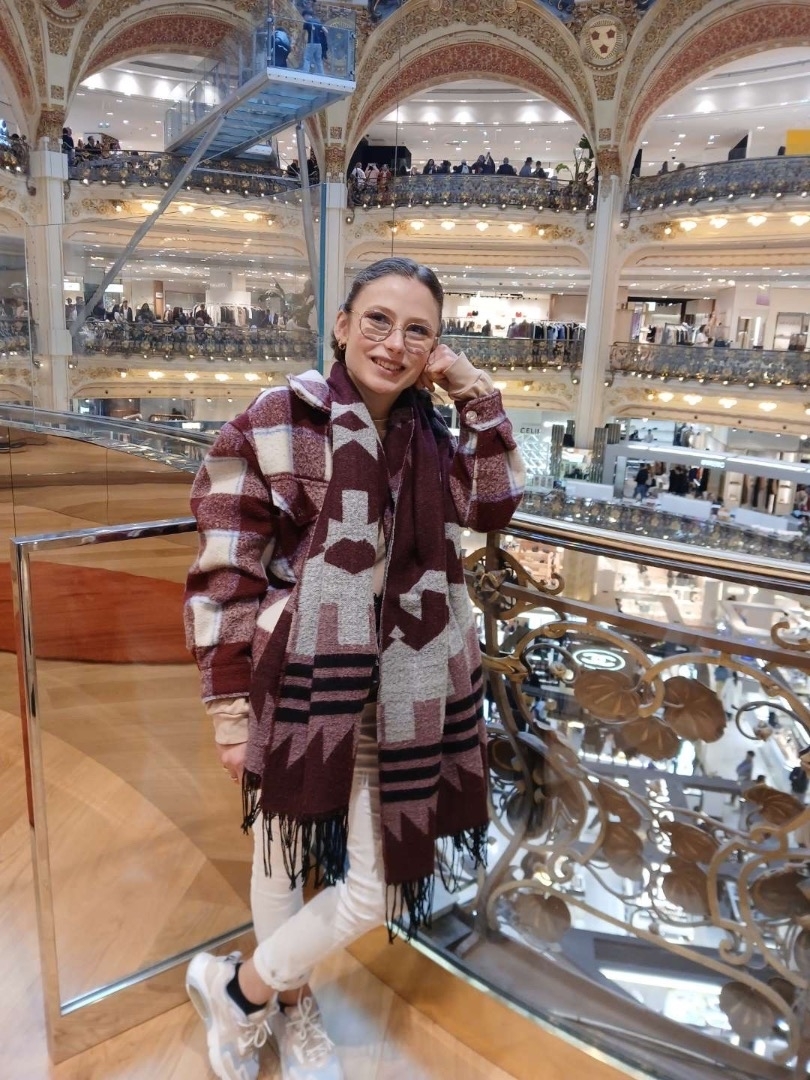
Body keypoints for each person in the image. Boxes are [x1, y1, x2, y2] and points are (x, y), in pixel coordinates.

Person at [183, 256, 524, 1080]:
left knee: (374, 887)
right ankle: (287, 1006)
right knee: (278, 855)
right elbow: (226, 570)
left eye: (418, 331)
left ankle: (240, 991)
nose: (394, 343)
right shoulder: (277, 418)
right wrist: (229, 713)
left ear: (435, 347)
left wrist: (472, 389)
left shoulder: (434, 434)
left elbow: (497, 500)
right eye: (377, 319)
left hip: (410, 687)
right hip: (299, 681)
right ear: (341, 325)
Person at [301, 3, 328, 75]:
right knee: (318, 60)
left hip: (311, 43)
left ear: (306, 15)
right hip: (319, 44)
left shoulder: (307, 22)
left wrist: (302, 40)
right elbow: (326, 31)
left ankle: (305, 74)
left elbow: (303, 33)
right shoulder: (318, 21)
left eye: (304, 17)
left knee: (307, 58)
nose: (304, 19)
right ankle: (322, 75)